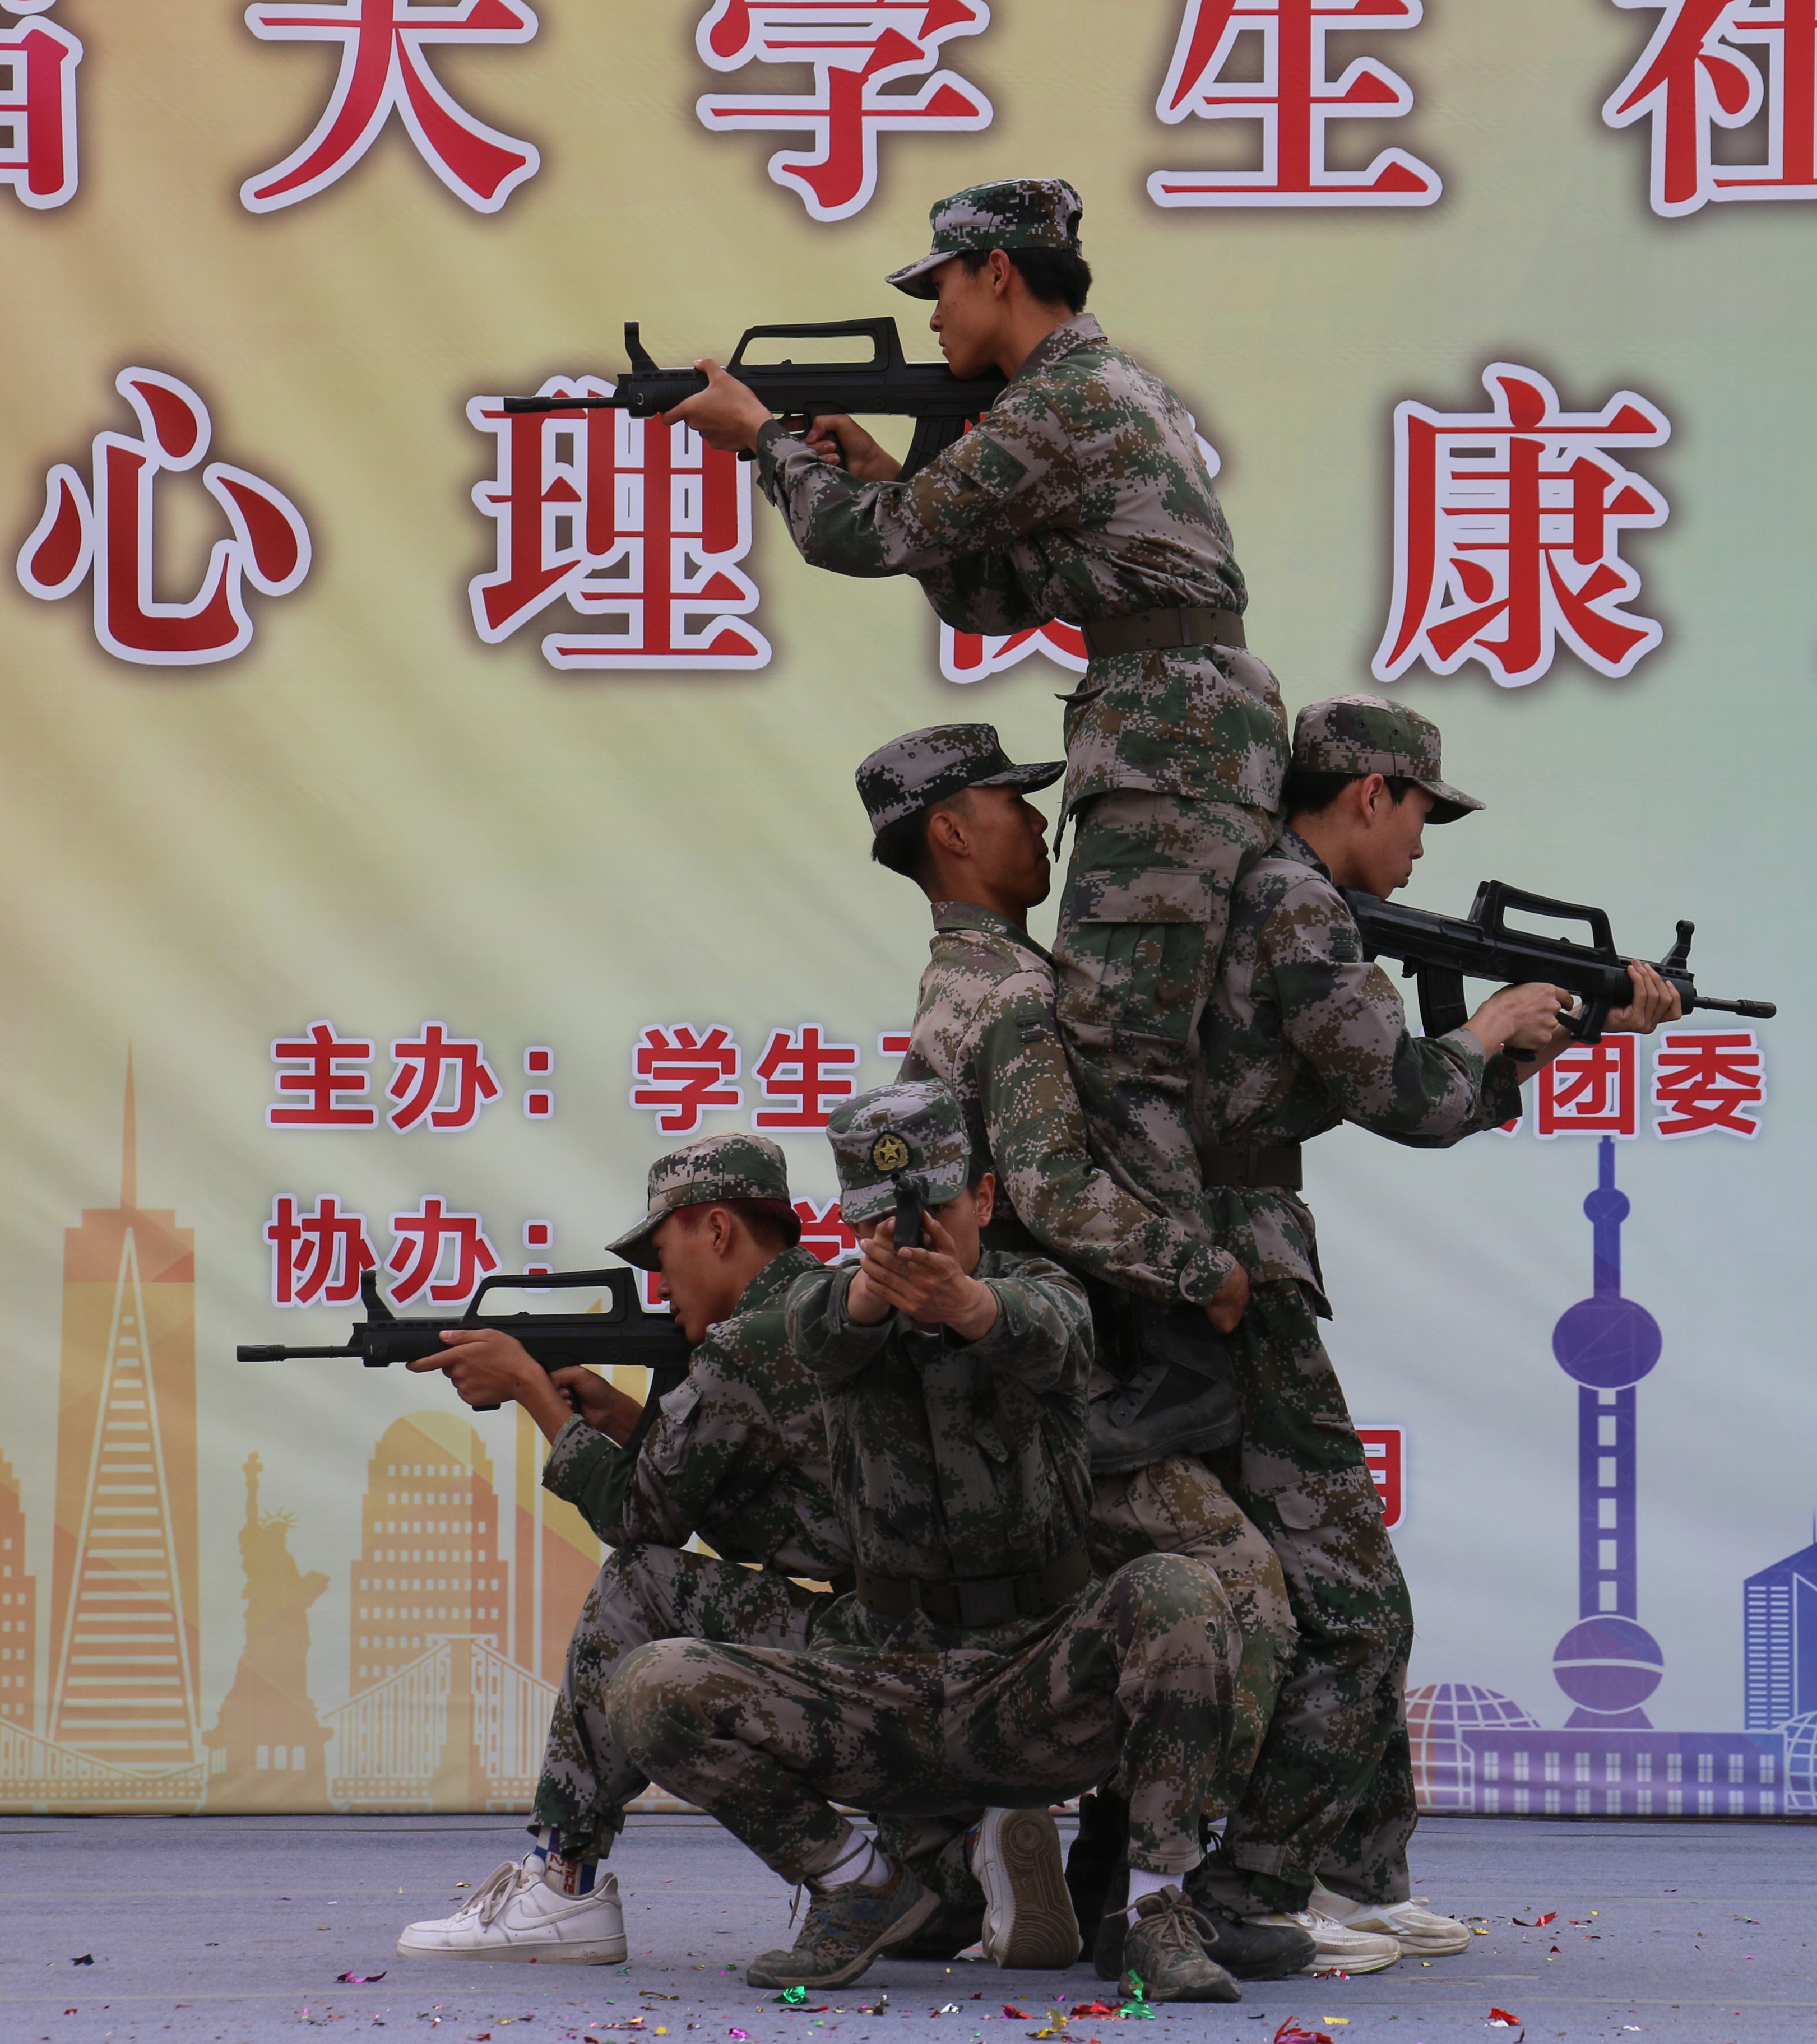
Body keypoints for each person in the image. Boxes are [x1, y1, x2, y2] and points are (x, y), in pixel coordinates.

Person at [670, 176, 1285, 1253]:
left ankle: (1177, 1309)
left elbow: (864, 538)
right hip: (1181, 723)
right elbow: (990, 599)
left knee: (1121, 1055)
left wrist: (765, 441)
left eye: (941, 288)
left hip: (1168, 732)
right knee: (1148, 1041)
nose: (933, 318)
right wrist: (880, 470)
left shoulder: (1062, 401)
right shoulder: (1108, 387)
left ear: (998, 271)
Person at [1166, 696, 1680, 1973]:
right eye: (1420, 816)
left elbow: (1412, 1092)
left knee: (1343, 1590)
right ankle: (1255, 1889)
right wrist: (1495, 1029)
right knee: (1356, 1600)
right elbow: (1402, 1093)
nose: (1420, 845)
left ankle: (1356, 1876)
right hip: (1233, 1268)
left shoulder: (1280, 894)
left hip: (1225, 1255)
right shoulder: (1296, 903)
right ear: (1370, 792)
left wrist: (1556, 1032)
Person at [604, 1084, 1248, 2001]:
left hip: (1039, 1684)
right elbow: (826, 1335)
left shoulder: (1045, 1293)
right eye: (881, 1220)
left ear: (984, 1199)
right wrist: (874, 1293)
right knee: (653, 1687)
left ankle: (1155, 1910)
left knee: (1179, 1593)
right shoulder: (824, 1312)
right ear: (848, 1224)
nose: (913, 1236)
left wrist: (966, 1304)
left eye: (933, 1208)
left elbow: (1049, 1336)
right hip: (887, 1685)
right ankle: (857, 1884)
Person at [854, 720, 1303, 1978]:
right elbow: (1052, 1191)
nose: (1037, 821)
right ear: (952, 831)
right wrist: (1203, 1271)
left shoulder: (967, 985)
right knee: (1248, 1601)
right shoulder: (1009, 997)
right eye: (1011, 802)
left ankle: (1082, 1875)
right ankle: (1143, 1889)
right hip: (1066, 1390)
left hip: (1020, 1384)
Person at [389, 1134, 845, 1966]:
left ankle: (564, 1882)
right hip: (927, 1627)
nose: (658, 1287)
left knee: (638, 1583)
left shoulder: (746, 1344)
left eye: (662, 1256)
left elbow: (643, 1521)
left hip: (878, 1648)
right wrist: (609, 1414)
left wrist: (535, 1394)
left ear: (717, 1230)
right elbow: (766, 1503)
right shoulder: (822, 1310)